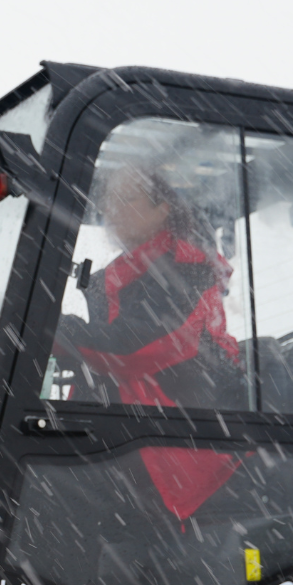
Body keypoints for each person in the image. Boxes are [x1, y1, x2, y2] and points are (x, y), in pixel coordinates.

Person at [52, 165, 246, 521]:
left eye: (128, 199)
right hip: (131, 442)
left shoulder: (188, 266)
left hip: (178, 453)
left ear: (163, 209)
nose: (114, 210)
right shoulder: (122, 274)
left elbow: (136, 349)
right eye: (109, 201)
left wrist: (51, 331)